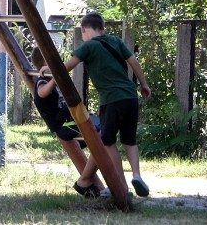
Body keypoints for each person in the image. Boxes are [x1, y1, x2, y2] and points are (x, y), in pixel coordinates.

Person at [39, 12, 152, 197]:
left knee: (107, 142)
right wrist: (144, 85)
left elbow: (67, 67)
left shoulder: (88, 46)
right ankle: (137, 175)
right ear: (103, 28)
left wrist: (49, 70)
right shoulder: (115, 41)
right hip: (131, 97)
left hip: (111, 100)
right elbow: (133, 61)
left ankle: (121, 186)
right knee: (129, 140)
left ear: (84, 30)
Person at [30, 47, 105, 196]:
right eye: (54, 59)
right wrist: (54, 79)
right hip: (64, 127)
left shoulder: (50, 77)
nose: (58, 62)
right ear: (46, 62)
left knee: (103, 132)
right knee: (103, 136)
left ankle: (89, 179)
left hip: (69, 123)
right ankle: (86, 179)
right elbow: (42, 92)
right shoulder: (43, 80)